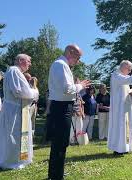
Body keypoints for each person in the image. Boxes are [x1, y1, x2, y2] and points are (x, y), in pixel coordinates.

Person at [0, 54, 39, 169]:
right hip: (14, 110)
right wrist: (35, 92)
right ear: (21, 60)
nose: (30, 64)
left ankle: (20, 158)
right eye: (28, 61)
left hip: (17, 108)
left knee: (17, 134)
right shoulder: (14, 71)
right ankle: (12, 161)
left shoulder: (14, 72)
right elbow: (20, 92)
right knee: (14, 135)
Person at [47, 44, 90, 179]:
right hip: (61, 107)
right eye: (78, 58)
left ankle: (56, 172)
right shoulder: (60, 65)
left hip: (63, 106)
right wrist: (80, 86)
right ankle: (56, 175)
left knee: (61, 142)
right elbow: (67, 89)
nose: (78, 62)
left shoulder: (62, 65)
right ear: (71, 53)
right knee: (60, 142)